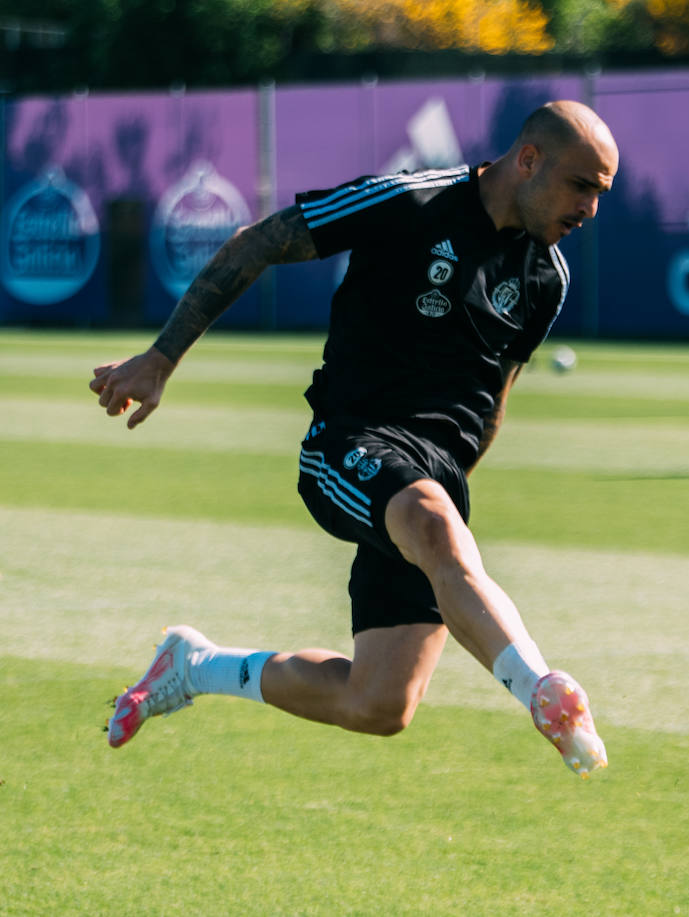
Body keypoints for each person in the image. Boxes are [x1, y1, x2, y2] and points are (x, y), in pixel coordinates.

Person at [90, 100, 617, 779]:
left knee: (379, 702)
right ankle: (544, 689)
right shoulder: (411, 202)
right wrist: (162, 358)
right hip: (349, 440)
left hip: (431, 486)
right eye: (582, 185)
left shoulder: (548, 278)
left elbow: (494, 403)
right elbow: (260, 242)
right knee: (429, 520)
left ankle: (194, 666)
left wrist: (446, 511)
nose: (591, 209)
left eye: (602, 193)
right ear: (527, 160)